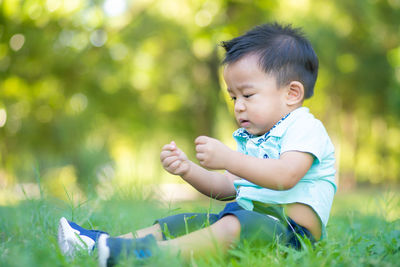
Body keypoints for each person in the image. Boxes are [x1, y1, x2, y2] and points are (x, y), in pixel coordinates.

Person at [57, 22, 336, 267]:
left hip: (291, 237)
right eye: (233, 97)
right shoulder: (254, 139)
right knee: (188, 221)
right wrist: (187, 169)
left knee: (233, 225)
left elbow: (285, 177)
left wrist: (228, 158)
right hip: (248, 220)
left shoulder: (305, 127)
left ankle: (144, 256)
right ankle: (99, 245)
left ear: (292, 93)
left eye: (247, 95)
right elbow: (226, 189)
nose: (238, 106)